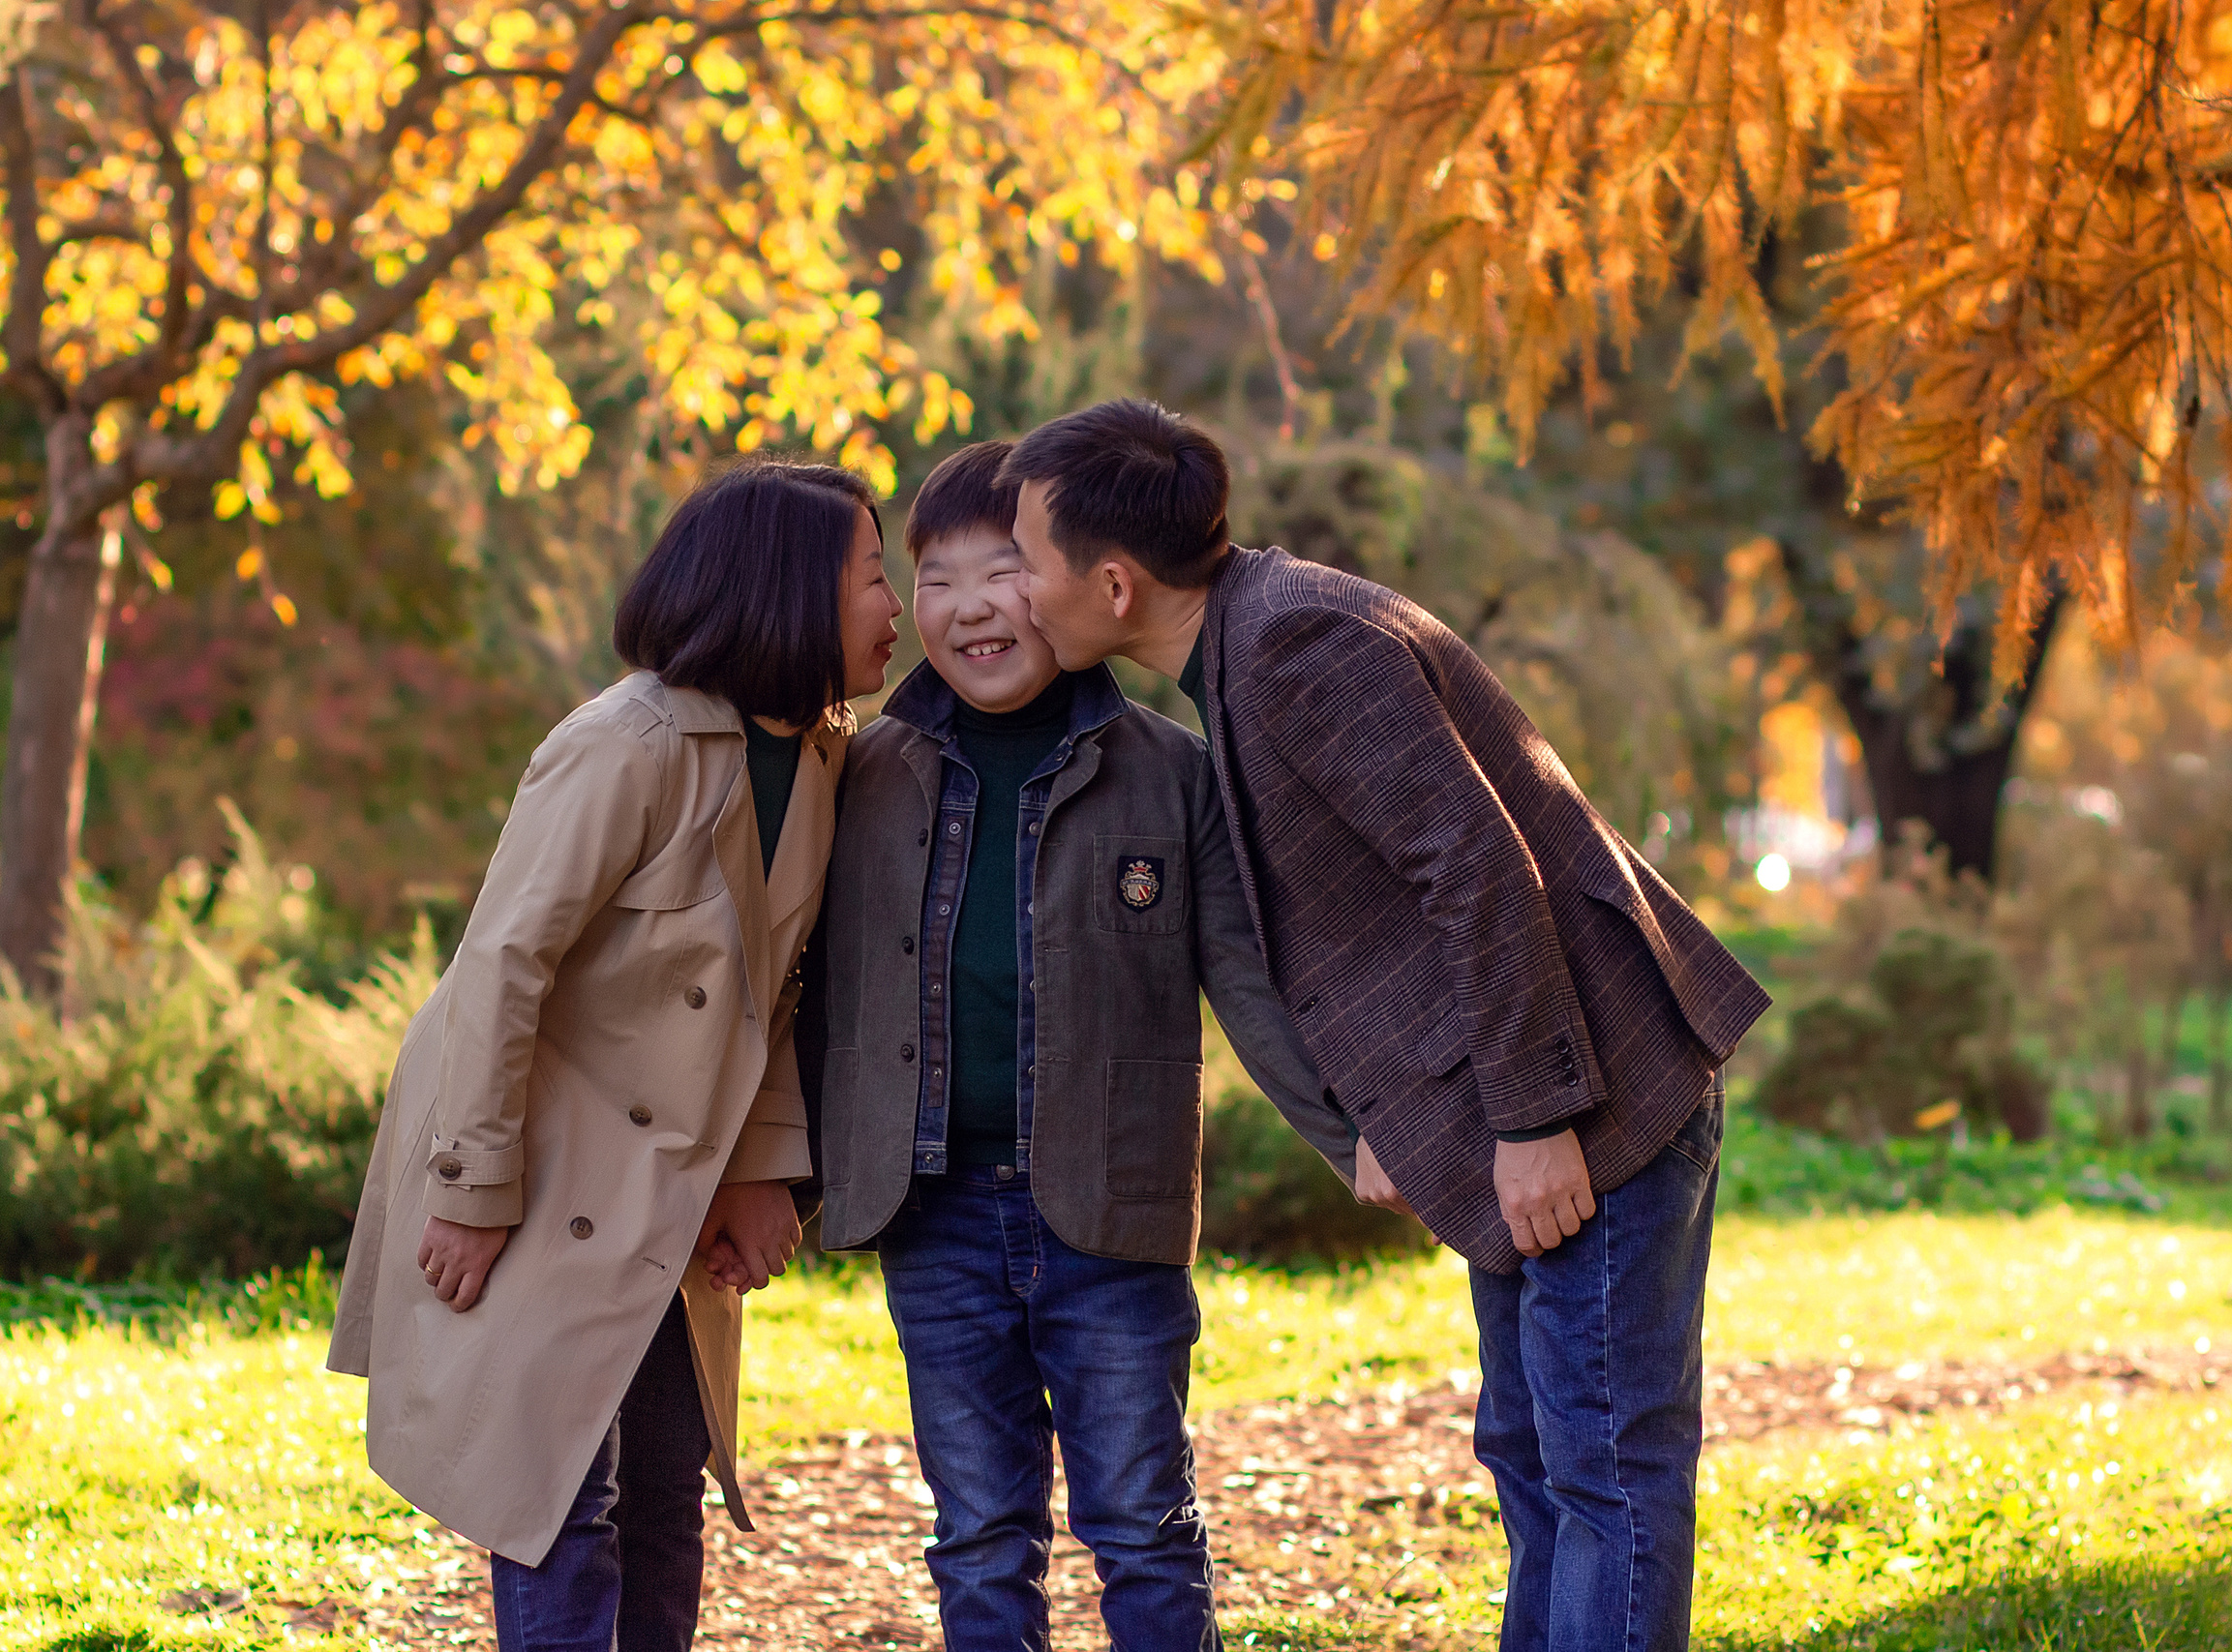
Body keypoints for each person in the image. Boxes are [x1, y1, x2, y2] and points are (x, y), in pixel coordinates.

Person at [1002, 401, 1772, 1652]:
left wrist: (1534, 1119)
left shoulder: (1300, 643)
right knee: (1535, 1451)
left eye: (1027, 560)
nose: (1021, 595)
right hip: (1530, 1097)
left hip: (1597, 1098)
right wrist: (1401, 1121)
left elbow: (1476, 867)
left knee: (1608, 1463)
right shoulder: (1248, 645)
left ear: (1111, 580)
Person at [326, 459, 905, 1652]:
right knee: (556, 1494)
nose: (894, 606)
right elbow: (502, 966)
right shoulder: (625, 744)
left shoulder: (820, 752)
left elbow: (775, 988)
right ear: (787, 592)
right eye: (872, 576)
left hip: (671, 1179)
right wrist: (475, 1190)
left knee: (663, 1484)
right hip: (537, 1162)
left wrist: (761, 1170)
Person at [796, 440, 1340, 1652]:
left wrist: (1362, 1140)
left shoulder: (1167, 773)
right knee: (979, 1531)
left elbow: (1249, 984)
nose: (969, 607)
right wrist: (772, 1176)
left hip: (1110, 1217)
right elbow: (802, 990)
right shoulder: (861, 773)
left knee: (1142, 1520)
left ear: (1064, 588)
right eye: (933, 578)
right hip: (930, 1216)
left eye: (1003, 573)